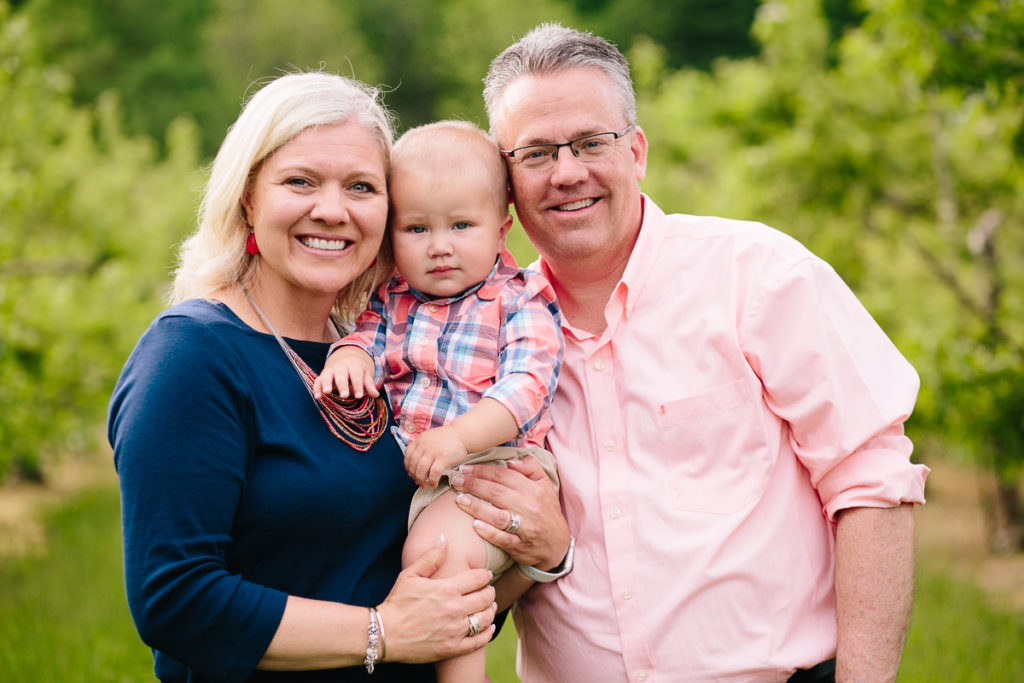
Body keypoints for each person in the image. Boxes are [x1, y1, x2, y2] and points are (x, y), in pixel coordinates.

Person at [450, 23, 930, 683]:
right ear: (506, 180)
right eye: (535, 153)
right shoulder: (489, 339)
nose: (568, 172)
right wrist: (543, 554)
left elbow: (872, 482)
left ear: (637, 151)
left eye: (592, 142)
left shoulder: (758, 274)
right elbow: (475, 558)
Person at [107, 72, 501, 682]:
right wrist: (383, 633)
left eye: (362, 187)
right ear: (247, 198)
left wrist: (547, 553)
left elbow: (437, 604)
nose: (333, 210)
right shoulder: (193, 355)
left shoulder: (386, 354)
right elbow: (176, 599)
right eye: (300, 182)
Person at [313, 120, 563, 683]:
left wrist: (458, 439)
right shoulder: (394, 299)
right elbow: (367, 340)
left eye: (461, 225)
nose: (440, 246)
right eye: (418, 228)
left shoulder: (519, 299)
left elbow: (525, 388)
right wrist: (350, 357)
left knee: (440, 555)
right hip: (431, 470)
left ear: (502, 229)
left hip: (496, 462)